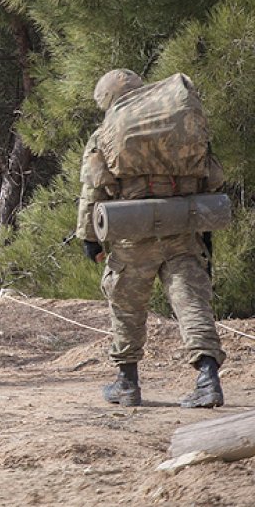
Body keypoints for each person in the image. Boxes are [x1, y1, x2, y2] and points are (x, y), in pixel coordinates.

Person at [78, 69, 226, 408]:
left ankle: (127, 383)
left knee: (127, 307)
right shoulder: (183, 124)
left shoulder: (105, 133)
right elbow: (213, 175)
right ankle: (208, 379)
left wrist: (89, 238)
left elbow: (92, 191)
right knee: (192, 303)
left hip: (133, 232)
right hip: (181, 226)